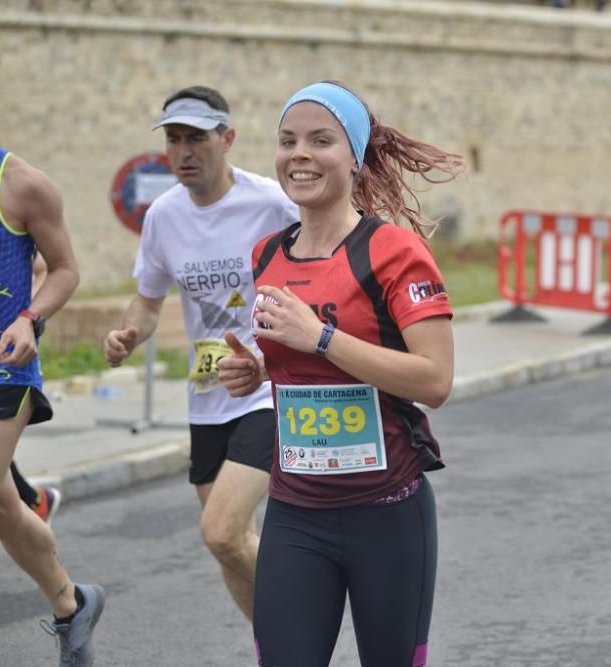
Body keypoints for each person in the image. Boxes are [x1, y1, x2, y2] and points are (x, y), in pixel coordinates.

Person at [217, 80, 463, 666]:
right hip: (296, 512)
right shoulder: (266, 255)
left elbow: (435, 380)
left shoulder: (393, 252)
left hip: (388, 514)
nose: (299, 154)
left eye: (320, 140)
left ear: (354, 157)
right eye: (287, 140)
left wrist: (320, 338)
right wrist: (255, 371)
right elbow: (295, 362)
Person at [103, 85, 298, 622]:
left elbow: (325, 259)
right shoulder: (163, 216)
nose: (183, 152)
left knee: (221, 531)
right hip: (206, 397)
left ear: (227, 138)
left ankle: (311, 606)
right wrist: (128, 335)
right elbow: (147, 302)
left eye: (196, 138)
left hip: (265, 388)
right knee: (230, 549)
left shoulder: (270, 204)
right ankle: (280, 650)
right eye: (174, 140)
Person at [0, 71, 105, 665]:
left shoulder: (21, 185)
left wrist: (28, 319)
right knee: (3, 506)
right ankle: (71, 603)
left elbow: (64, 269)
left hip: (4, 365)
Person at [11, 252, 63, 525]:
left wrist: (24, 318)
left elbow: (46, 268)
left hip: (6, 358)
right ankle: (35, 501)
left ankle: (35, 502)